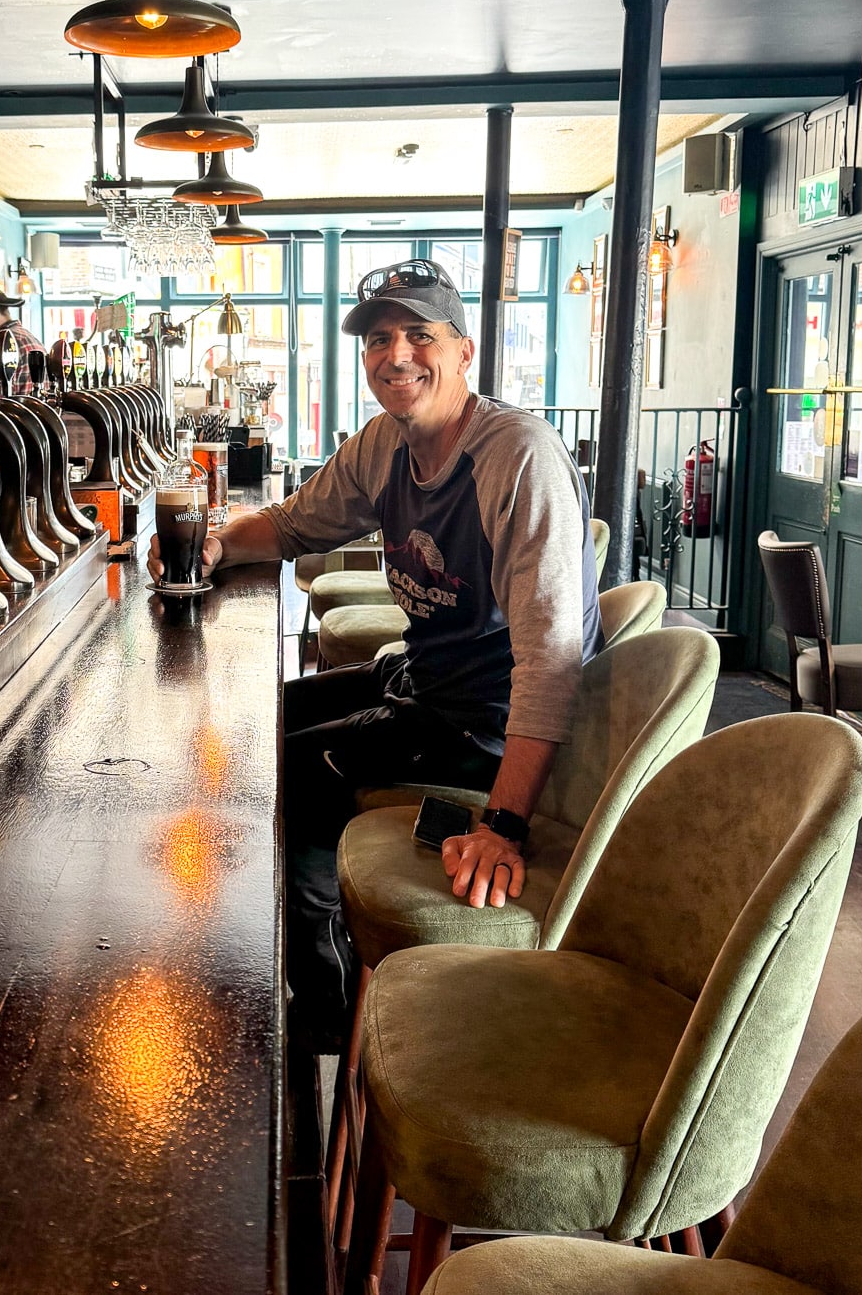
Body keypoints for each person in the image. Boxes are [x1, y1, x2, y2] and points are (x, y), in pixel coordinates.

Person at [148, 257, 602, 1041]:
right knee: (265, 723)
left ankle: (318, 1008)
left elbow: (553, 662)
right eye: (380, 339)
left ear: (464, 352)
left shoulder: (514, 457)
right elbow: (291, 525)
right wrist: (217, 548)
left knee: (294, 779)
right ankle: (249, 936)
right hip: (425, 683)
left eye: (419, 335)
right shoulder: (383, 446)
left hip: (483, 725)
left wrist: (503, 824)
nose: (396, 355)